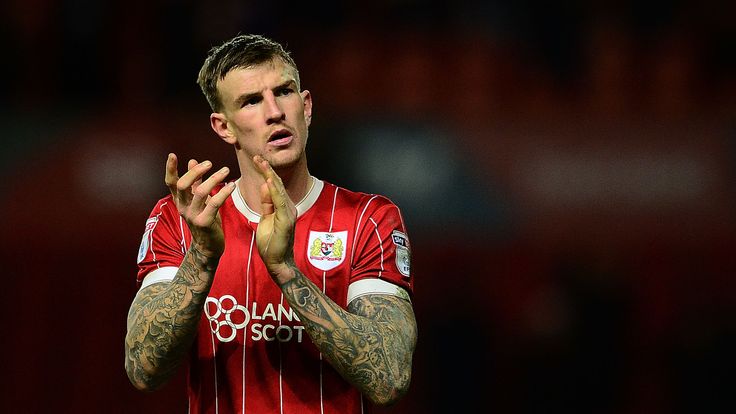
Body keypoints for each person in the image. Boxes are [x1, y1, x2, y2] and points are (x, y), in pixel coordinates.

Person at [124, 34, 417, 414]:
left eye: (285, 92)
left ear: (306, 106)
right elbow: (143, 370)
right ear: (223, 127)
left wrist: (286, 272)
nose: (275, 111)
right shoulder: (181, 220)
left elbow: (389, 377)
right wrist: (201, 256)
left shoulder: (369, 218)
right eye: (251, 101)